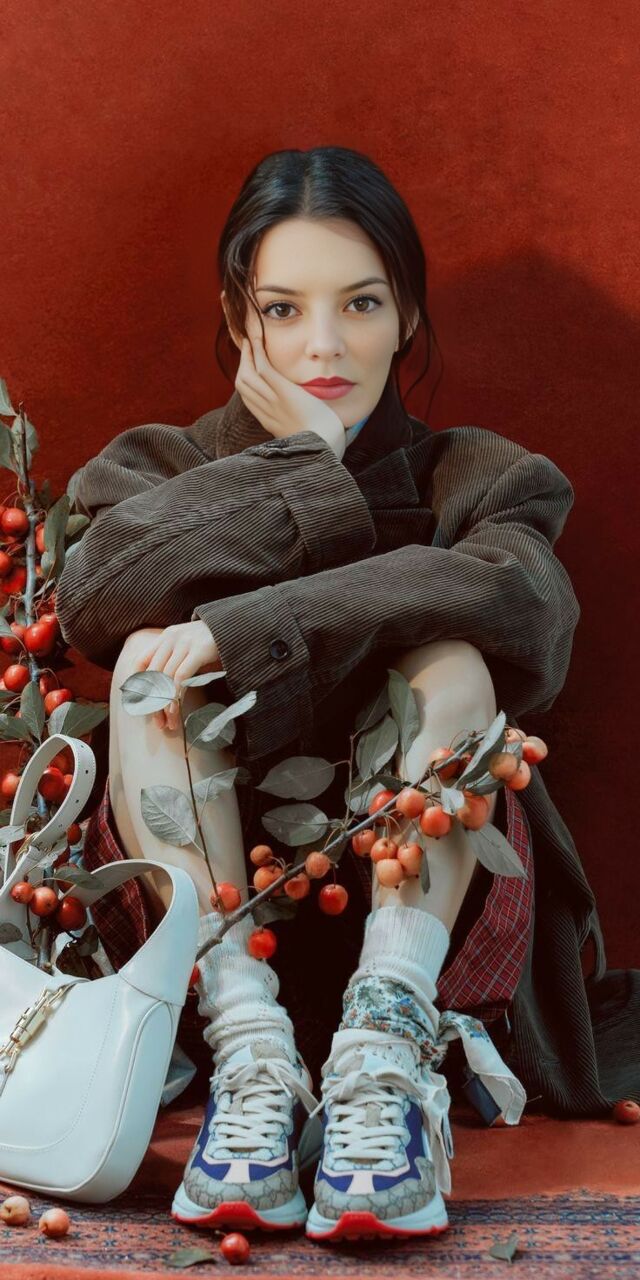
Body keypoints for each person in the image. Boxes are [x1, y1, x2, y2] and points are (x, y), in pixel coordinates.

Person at [55, 145, 640, 1243]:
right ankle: (252, 1067)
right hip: (224, 957)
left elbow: (524, 610)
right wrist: (305, 464)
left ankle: (383, 1062)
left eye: (360, 304)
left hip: (427, 935)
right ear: (240, 320)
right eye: (284, 309)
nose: (323, 345)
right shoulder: (156, 469)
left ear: (406, 313)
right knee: (143, 672)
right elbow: (91, 599)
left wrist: (241, 628)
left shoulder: (484, 477)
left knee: (456, 661)